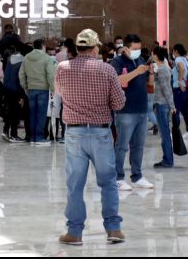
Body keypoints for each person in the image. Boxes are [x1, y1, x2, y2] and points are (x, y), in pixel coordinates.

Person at [54, 29, 126, 246]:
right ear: (95, 49)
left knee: (75, 184)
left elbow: (59, 92)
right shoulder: (107, 69)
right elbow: (119, 103)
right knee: (108, 182)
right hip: (101, 133)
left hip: (74, 133)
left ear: (77, 49)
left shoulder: (63, 68)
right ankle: (113, 229)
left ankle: (74, 233)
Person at [110, 34, 154, 191]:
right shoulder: (116, 62)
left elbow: (149, 85)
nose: (138, 51)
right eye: (135, 49)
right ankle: (118, 177)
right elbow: (118, 81)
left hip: (141, 109)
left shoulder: (141, 60)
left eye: (140, 48)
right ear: (126, 48)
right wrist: (137, 71)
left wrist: (150, 73)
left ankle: (137, 176)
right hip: (125, 110)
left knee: (139, 146)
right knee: (121, 146)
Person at [19, 39, 56, 146]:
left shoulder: (26, 57)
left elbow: (21, 74)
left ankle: (31, 137)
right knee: (41, 115)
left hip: (31, 89)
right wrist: (53, 88)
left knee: (32, 114)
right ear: (43, 46)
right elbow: (50, 75)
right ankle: (39, 138)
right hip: (43, 89)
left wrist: (25, 86)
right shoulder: (46, 58)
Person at [152, 46, 175, 168]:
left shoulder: (161, 69)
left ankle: (168, 160)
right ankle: (167, 159)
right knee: (165, 133)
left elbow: (166, 89)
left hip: (161, 104)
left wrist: (172, 105)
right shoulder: (166, 68)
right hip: (165, 104)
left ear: (156, 55)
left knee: (164, 134)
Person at [171, 44, 188, 139]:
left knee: (176, 111)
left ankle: (175, 133)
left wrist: (180, 81)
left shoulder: (178, 59)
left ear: (176, 51)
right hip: (187, 88)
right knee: (185, 111)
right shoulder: (185, 59)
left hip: (179, 89)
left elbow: (182, 68)